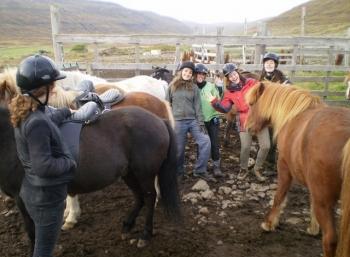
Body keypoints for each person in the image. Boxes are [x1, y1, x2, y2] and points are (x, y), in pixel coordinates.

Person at [9, 55, 76, 257]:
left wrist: (64, 112)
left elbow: (45, 119)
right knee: (43, 250)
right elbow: (43, 166)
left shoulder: (25, 111)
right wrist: (69, 163)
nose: (55, 90)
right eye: (52, 86)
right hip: (47, 200)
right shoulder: (37, 122)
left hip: (33, 192)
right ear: (41, 90)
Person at [206, 63, 270, 182]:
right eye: (230, 76)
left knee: (266, 146)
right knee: (245, 147)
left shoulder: (251, 82)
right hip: (244, 119)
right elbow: (225, 108)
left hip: (259, 117)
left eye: (234, 74)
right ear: (228, 79)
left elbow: (263, 89)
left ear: (238, 73)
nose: (233, 77)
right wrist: (214, 102)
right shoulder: (229, 92)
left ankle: (257, 168)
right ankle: (243, 169)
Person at [166, 61, 214, 182]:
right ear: (181, 71)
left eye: (190, 72)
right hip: (178, 121)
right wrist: (169, 121)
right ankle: (179, 171)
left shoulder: (194, 87)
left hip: (193, 120)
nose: (187, 74)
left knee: (205, 141)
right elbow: (167, 104)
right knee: (179, 149)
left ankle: (200, 170)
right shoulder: (172, 86)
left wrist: (201, 123)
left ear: (192, 75)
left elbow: (198, 107)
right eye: (186, 71)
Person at [259, 52, 292, 170]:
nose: (269, 65)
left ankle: (270, 162)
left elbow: (290, 86)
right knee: (263, 136)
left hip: (276, 112)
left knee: (273, 137)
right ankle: (262, 158)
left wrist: (285, 87)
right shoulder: (260, 76)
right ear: (264, 64)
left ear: (275, 65)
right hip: (263, 110)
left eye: (271, 63)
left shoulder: (281, 76)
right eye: (267, 62)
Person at [194, 63, 223, 178]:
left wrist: (220, 88)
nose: (200, 76)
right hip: (199, 120)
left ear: (205, 75)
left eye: (203, 74)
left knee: (214, 142)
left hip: (211, 118)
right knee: (200, 143)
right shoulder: (192, 87)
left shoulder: (210, 86)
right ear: (195, 74)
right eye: (198, 73)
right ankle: (201, 165)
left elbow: (218, 101)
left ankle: (216, 165)